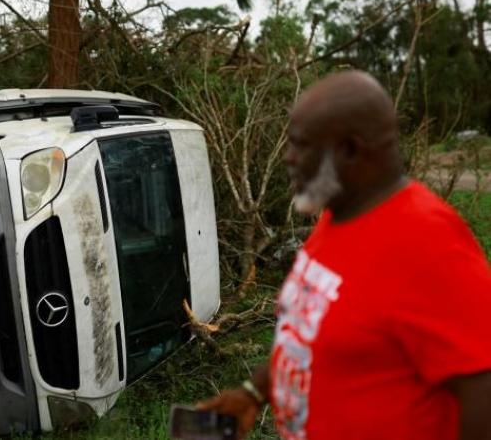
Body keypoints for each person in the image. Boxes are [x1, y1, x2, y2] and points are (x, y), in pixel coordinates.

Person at [198, 70, 491, 440]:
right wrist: (254, 393)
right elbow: (311, 334)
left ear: (350, 150)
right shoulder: (337, 217)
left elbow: (482, 389)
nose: (288, 158)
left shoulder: (431, 243)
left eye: (301, 146)